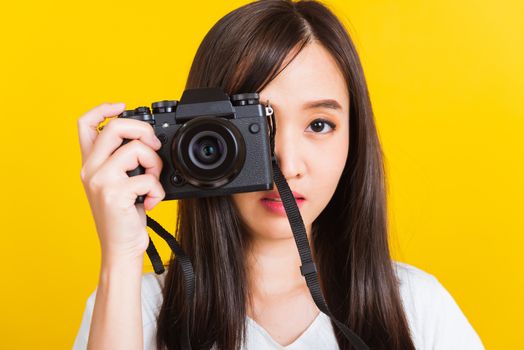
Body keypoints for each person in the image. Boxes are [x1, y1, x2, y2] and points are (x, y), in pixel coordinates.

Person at [73, 0, 484, 349]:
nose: (286, 166)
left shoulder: (417, 307)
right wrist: (121, 258)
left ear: (354, 139)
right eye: (256, 129)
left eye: (319, 125)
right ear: (197, 134)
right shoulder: (129, 308)